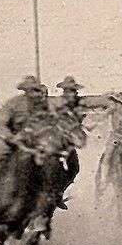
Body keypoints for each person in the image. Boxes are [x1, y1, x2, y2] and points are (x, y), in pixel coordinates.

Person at [0, 76, 57, 209]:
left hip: (32, 143)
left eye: (36, 90)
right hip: (9, 142)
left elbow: (49, 122)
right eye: (30, 90)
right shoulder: (13, 104)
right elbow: (0, 124)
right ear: (25, 90)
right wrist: (11, 137)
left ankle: (49, 201)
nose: (34, 93)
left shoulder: (43, 106)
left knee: (51, 165)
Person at [52, 77, 89, 208]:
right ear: (64, 91)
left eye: (73, 91)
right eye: (69, 91)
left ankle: (58, 193)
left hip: (68, 144)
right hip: (55, 141)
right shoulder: (57, 105)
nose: (72, 93)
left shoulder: (77, 106)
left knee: (74, 168)